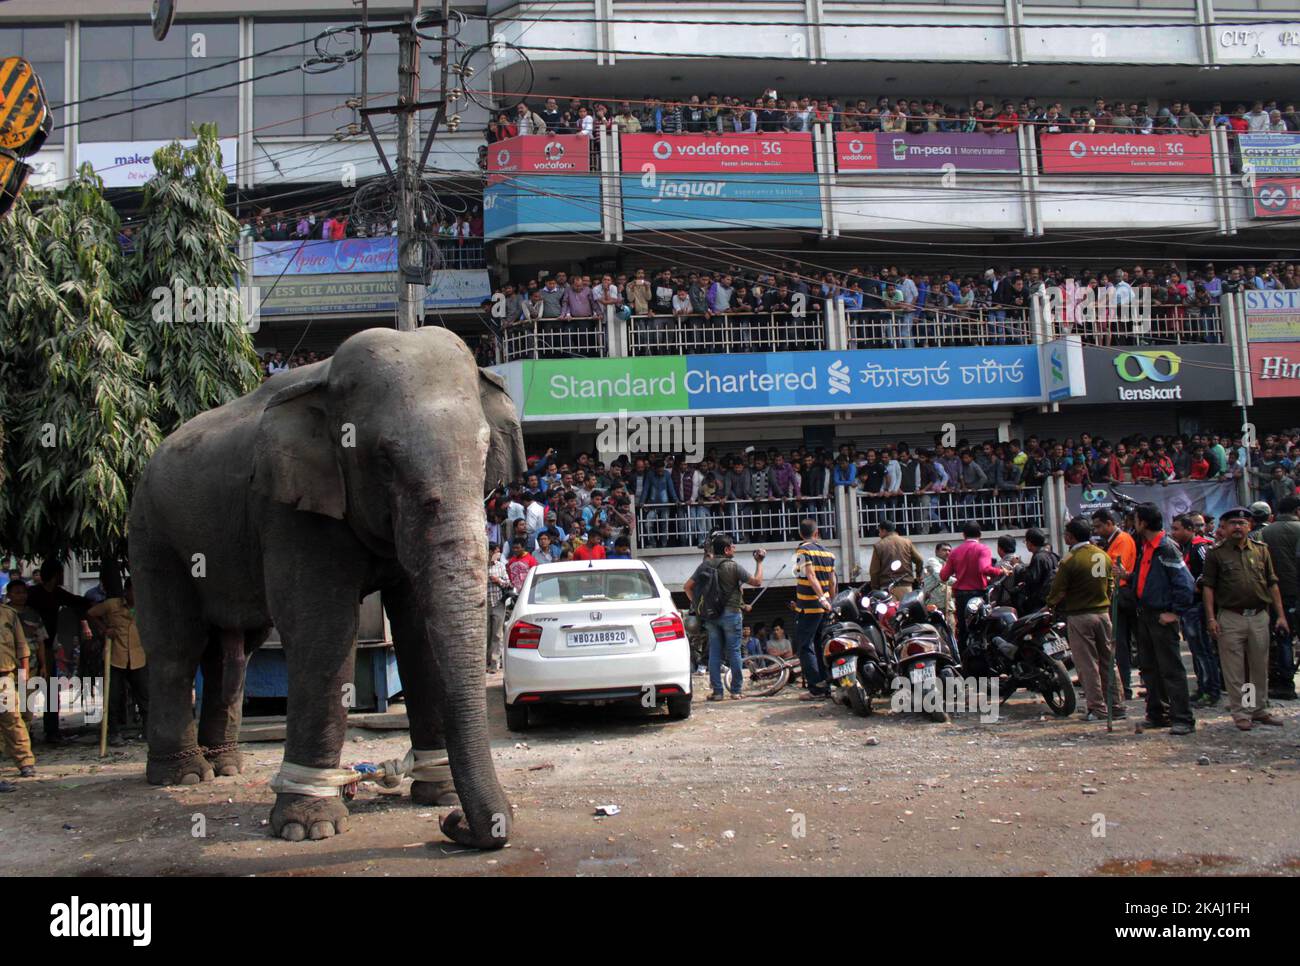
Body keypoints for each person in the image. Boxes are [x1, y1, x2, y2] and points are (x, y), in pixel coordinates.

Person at [1202, 507, 1290, 731]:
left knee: (1257, 666)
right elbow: (1209, 587)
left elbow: (1272, 583)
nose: (1238, 527)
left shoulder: (1261, 550)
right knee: (1234, 668)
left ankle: (1256, 708)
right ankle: (1241, 712)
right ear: (1225, 527)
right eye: (1233, 523)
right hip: (1231, 616)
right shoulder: (1217, 553)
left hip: (1259, 616)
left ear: (1249, 526)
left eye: (1242, 523)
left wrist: (1280, 616)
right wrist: (1211, 618)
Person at [1047, 516, 1125, 721]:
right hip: (1103, 614)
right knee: (1109, 660)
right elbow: (1110, 584)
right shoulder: (1103, 555)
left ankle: (1097, 708)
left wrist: (1050, 606)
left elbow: (1057, 591)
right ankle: (1116, 705)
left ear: (1071, 537)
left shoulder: (1070, 560)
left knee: (1087, 664)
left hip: (1080, 616)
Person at [1130, 503, 1197, 734]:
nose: (1133, 523)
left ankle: (1182, 719)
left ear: (1144, 522)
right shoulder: (1147, 546)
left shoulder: (1166, 547)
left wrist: (1175, 613)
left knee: (1171, 669)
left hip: (1160, 617)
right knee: (1149, 668)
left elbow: (1185, 583)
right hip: (1146, 615)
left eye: (1136, 519)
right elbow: (1147, 579)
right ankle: (1158, 714)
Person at [684, 533, 764, 701]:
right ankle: (735, 691)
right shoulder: (733, 566)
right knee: (734, 651)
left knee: (714, 652)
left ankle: (717, 692)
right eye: (733, 546)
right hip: (732, 614)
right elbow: (757, 581)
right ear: (727, 550)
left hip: (711, 616)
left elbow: (687, 587)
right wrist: (759, 562)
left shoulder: (704, 566)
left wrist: (699, 606)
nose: (734, 548)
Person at [86, 578, 148, 747]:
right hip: (116, 657)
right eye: (133, 591)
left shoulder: (146, 605)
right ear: (126, 591)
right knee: (112, 697)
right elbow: (91, 613)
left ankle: (148, 731)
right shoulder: (112, 605)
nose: (136, 595)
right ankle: (113, 733)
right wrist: (104, 630)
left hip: (138, 657)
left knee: (144, 696)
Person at [1171, 513, 1221, 706]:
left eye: (1177, 529)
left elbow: (1208, 573)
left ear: (1189, 529)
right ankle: (1202, 688)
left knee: (1204, 651)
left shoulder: (1200, 547)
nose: (1173, 533)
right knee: (1197, 650)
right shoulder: (1184, 548)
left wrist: (1194, 586)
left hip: (1198, 606)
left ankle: (1211, 691)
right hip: (1189, 607)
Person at [941, 522, 1005, 661]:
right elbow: (984, 568)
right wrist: (1001, 571)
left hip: (961, 596)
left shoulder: (955, 552)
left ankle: (962, 661)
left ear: (963, 535)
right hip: (978, 595)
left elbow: (944, 576)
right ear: (980, 535)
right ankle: (984, 658)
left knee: (963, 629)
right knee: (982, 628)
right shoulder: (983, 549)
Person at [1093, 508, 1138, 700]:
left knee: (1119, 644)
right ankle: (1122, 686)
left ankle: (1124, 687)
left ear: (1110, 523)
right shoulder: (1111, 541)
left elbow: (1115, 567)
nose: (1096, 530)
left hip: (1121, 594)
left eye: (1099, 526)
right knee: (1118, 644)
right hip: (1115, 593)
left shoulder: (1122, 540)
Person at [791, 519, 836, 699]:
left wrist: (821, 598)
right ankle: (825, 684)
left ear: (801, 534)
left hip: (809, 607)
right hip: (824, 608)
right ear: (816, 533)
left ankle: (816, 688)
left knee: (804, 646)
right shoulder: (829, 555)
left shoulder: (802, 551)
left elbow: (810, 576)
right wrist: (830, 602)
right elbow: (833, 581)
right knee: (819, 645)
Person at [1261, 494, 1300, 699]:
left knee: (1283, 638)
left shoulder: (1266, 533)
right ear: (1297, 511)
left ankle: (1285, 685)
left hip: (1277, 593)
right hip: (1295, 591)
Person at [0, 591, 36, 779]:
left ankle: (25, 762)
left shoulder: (9, 614)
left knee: (13, 720)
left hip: (4, 677)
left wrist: (24, 673)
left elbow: (22, 647)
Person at [869, 519, 923, 600]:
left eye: (879, 531)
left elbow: (874, 571)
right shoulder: (906, 542)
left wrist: (875, 589)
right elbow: (920, 560)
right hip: (905, 586)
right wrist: (918, 575)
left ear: (884, 530)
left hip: (887, 587)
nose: (879, 534)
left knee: (888, 611)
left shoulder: (879, 545)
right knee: (905, 610)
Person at [1016, 528, 1059, 614]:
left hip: (1039, 600)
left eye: (1026, 541)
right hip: (1051, 597)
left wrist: (1018, 567)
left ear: (1030, 543)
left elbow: (1032, 578)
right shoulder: (1052, 555)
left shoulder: (1039, 558)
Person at [486, 544, 511, 673]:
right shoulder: (481, 566)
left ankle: (494, 664)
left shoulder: (500, 566)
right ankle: (485, 662)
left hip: (498, 603)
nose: (499, 554)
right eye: (497, 551)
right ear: (490, 552)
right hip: (484, 605)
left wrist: (498, 581)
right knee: (486, 634)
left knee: (497, 634)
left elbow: (508, 583)